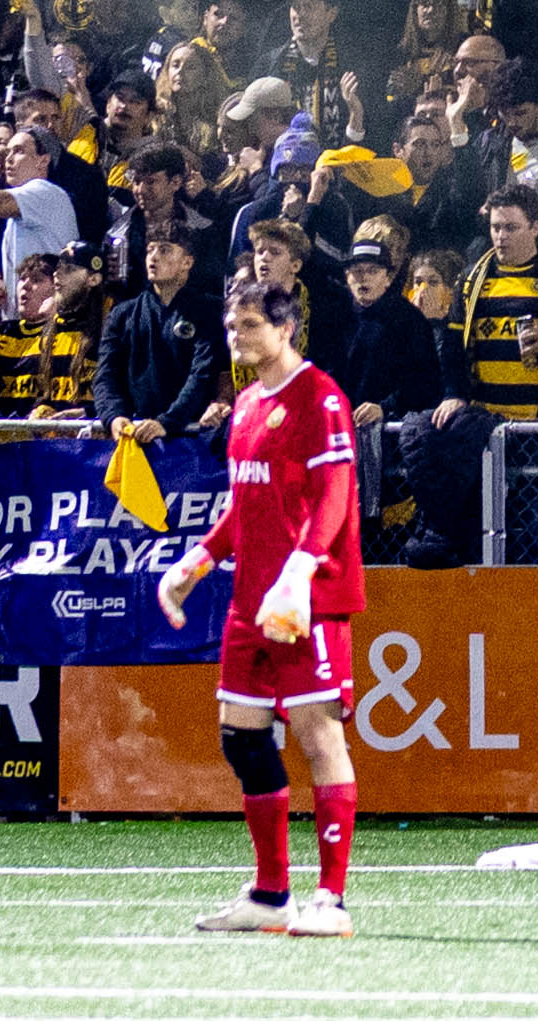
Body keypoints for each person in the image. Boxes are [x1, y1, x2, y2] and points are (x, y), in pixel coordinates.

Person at [160, 276, 366, 935]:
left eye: (250, 325)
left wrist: (302, 570)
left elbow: (334, 494)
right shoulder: (246, 403)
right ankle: (270, 893)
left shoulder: (320, 397)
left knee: (317, 733)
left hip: (308, 600)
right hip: (250, 601)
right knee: (240, 737)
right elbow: (244, 507)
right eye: (231, 326)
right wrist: (193, 565)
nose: (238, 336)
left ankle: (329, 899)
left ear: (285, 328)